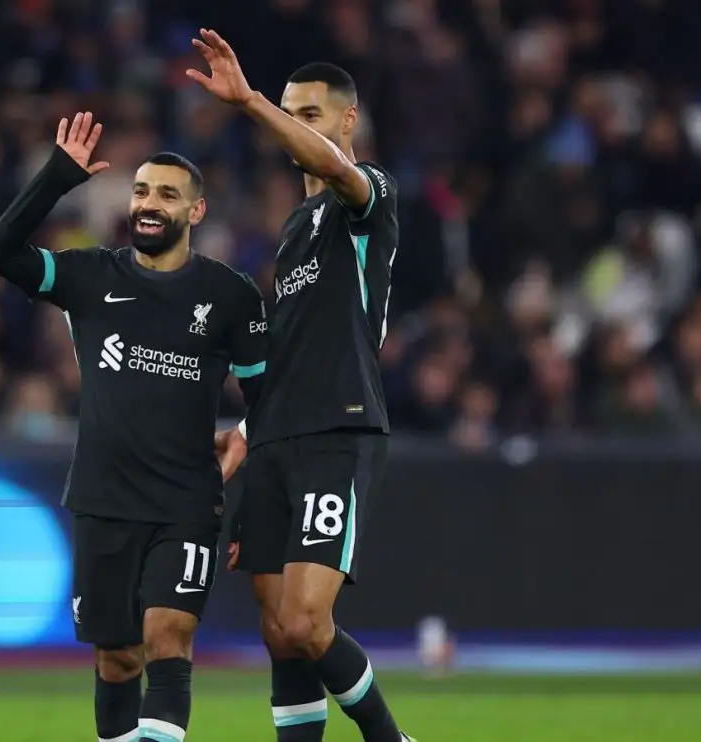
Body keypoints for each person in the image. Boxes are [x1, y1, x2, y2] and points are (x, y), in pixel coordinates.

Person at [0, 112, 269, 742]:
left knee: (168, 637)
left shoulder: (232, 296)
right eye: (141, 191)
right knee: (116, 657)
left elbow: (267, 398)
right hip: (103, 499)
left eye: (167, 194)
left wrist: (244, 451)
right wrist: (58, 177)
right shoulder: (90, 277)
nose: (148, 204)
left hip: (187, 501)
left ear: (196, 212)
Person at [188, 31, 416, 742]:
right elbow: (290, 354)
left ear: (346, 122)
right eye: (290, 111)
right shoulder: (292, 229)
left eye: (309, 114)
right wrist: (247, 438)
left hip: (337, 432)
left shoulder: (369, 195)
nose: (296, 125)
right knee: (278, 631)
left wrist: (250, 100)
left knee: (306, 619)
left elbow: (335, 169)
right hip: (277, 440)